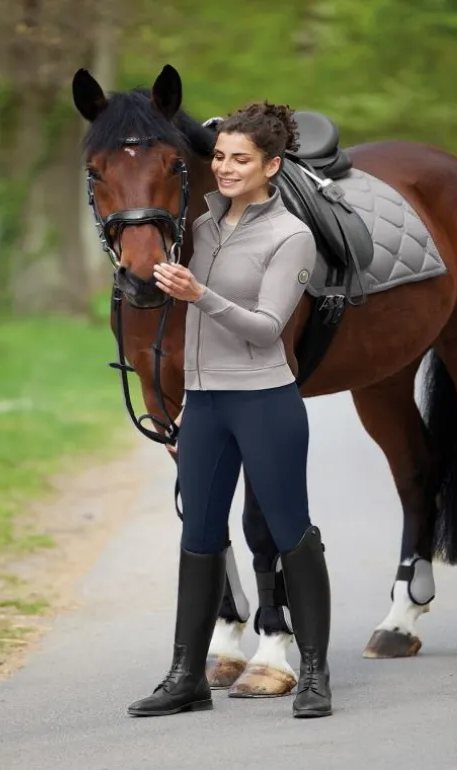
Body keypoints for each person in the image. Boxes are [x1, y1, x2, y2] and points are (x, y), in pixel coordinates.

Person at [127, 102, 332, 720]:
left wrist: (200, 294)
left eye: (241, 159)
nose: (225, 168)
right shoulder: (202, 228)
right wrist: (180, 404)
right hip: (206, 404)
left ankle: (316, 673)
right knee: (198, 535)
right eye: (219, 156)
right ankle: (186, 675)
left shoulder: (291, 236)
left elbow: (268, 329)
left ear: (271, 165)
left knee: (292, 530)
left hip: (264, 400)